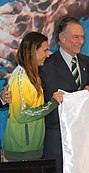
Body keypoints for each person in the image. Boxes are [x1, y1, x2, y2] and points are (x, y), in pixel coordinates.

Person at [38, 17, 89, 173]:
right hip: (56, 138)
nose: (80, 41)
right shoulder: (46, 65)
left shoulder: (86, 61)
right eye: (76, 37)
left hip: (82, 137)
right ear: (62, 37)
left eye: (82, 37)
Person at [3, 32, 64, 161]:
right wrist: (52, 104)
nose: (47, 55)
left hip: (32, 149)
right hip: (21, 151)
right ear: (32, 51)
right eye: (45, 50)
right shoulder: (21, 77)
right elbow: (22, 114)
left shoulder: (33, 74)